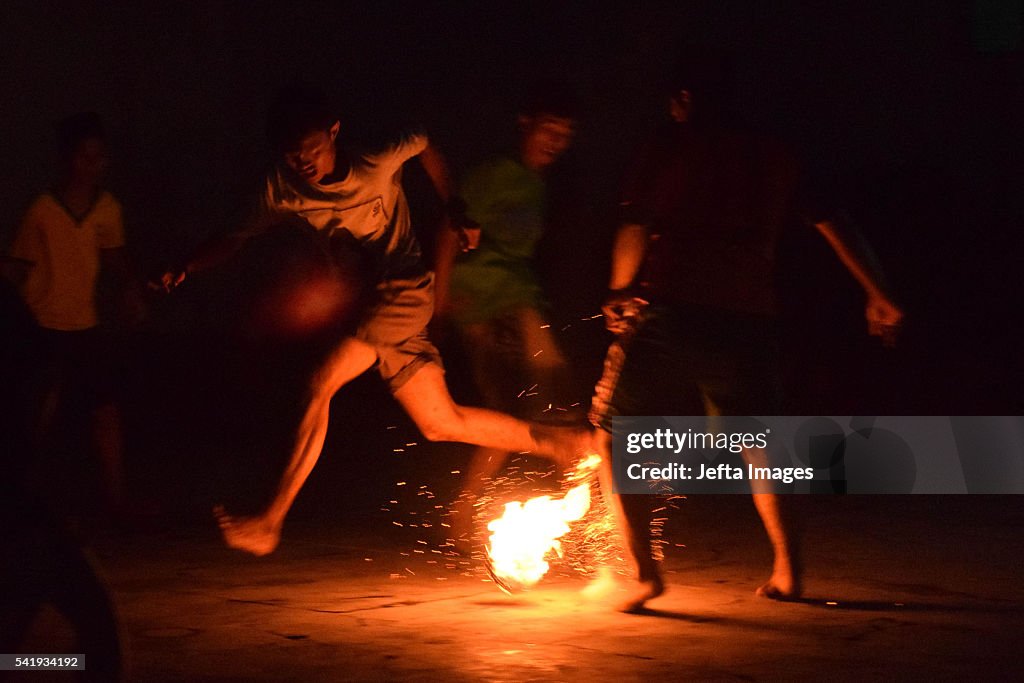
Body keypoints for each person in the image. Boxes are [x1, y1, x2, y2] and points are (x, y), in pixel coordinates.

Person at [160, 84, 588, 556]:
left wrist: (454, 206)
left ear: (334, 134)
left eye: (314, 149)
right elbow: (234, 235)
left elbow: (423, 142)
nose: (304, 161)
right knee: (440, 421)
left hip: (405, 289)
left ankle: (270, 521)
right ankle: (561, 444)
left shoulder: (376, 159)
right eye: (293, 153)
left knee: (321, 382)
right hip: (371, 303)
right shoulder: (279, 188)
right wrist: (188, 265)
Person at [593, 53, 905, 611]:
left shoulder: (669, 144)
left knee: (614, 437)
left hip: (672, 311)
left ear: (685, 98)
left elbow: (636, 223)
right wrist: (878, 293)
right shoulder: (776, 150)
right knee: (760, 445)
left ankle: (645, 574)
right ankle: (789, 572)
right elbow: (835, 221)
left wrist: (619, 292)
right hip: (748, 318)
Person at [433, 82, 579, 537]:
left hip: (518, 297)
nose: (555, 141)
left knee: (557, 387)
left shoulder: (538, 186)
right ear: (525, 124)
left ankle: (575, 486)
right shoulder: (493, 173)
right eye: (549, 129)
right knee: (503, 412)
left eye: (565, 134)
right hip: (478, 299)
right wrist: (438, 304)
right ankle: (463, 512)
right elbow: (448, 230)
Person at [7, 112, 144, 516]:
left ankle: (115, 498)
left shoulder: (106, 208)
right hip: (43, 322)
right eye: (87, 157)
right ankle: (21, 495)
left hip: (84, 323)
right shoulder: (43, 210)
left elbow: (114, 255)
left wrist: (130, 288)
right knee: (39, 410)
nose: (95, 165)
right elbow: (20, 265)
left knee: (105, 409)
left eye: (101, 157)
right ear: (68, 159)